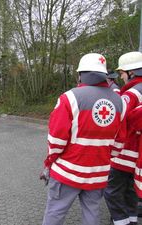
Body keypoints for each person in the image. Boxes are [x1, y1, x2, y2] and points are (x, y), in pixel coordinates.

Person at [40, 53, 126, 225]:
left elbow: (56, 141)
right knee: (92, 214)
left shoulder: (69, 98)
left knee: (55, 213)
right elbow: (118, 144)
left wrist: (49, 162)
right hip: (98, 174)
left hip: (67, 173)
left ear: (81, 74)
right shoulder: (119, 102)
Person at [104, 51, 142, 225]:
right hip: (137, 157)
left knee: (111, 191)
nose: (120, 77)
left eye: (122, 73)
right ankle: (132, 221)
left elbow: (118, 120)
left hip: (125, 153)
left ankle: (121, 222)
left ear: (132, 72)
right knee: (130, 191)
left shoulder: (132, 93)